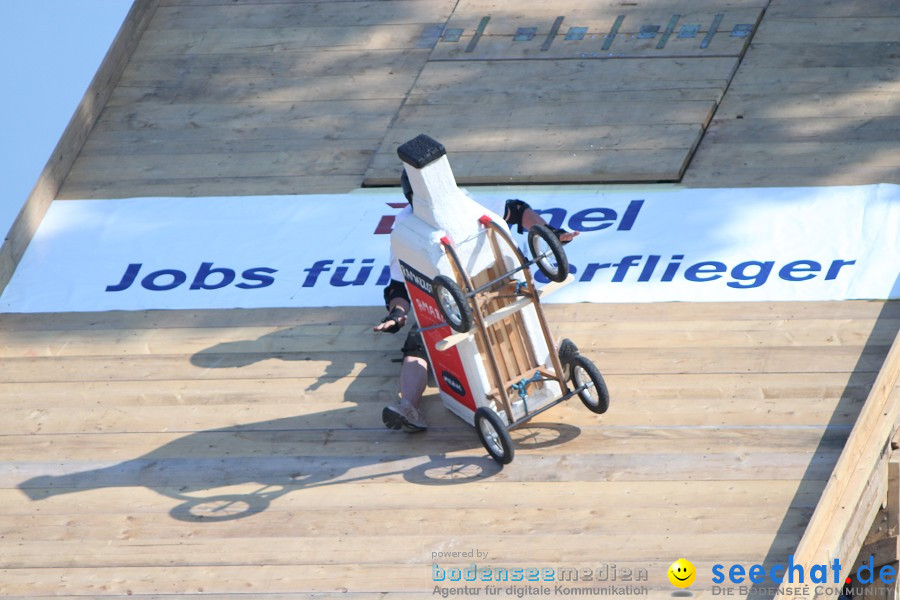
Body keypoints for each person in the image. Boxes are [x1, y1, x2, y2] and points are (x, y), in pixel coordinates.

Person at [374, 171, 578, 432]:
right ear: (412, 199)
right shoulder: (405, 228)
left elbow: (516, 210)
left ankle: (555, 359)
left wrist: (549, 232)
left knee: (524, 304)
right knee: (419, 341)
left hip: (492, 281)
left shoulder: (464, 203)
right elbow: (398, 284)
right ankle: (408, 407)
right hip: (447, 301)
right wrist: (397, 314)